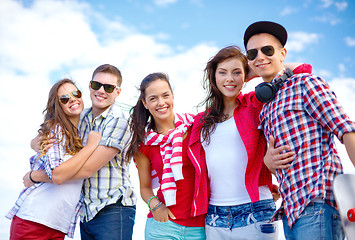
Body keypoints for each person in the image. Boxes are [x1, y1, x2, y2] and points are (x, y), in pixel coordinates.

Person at [243, 21, 355, 240]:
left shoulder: (305, 83)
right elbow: (287, 164)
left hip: (318, 204)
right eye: (252, 53)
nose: (260, 56)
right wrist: (269, 164)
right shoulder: (266, 107)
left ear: (283, 53)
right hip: (290, 212)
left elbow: (347, 130)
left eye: (267, 50)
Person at [193, 46, 311, 239]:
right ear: (213, 77)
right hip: (215, 217)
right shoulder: (200, 121)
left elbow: (302, 69)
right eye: (222, 73)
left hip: (257, 211)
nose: (229, 79)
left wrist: (254, 70)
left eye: (236, 72)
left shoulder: (254, 103)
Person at [26, 64, 136, 240]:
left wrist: (37, 176)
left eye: (108, 87)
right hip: (86, 212)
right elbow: (48, 133)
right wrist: (37, 143)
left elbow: (86, 170)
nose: (101, 91)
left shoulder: (119, 122)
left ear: (117, 92)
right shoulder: (79, 117)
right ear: (90, 86)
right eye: (96, 85)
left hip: (113, 209)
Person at [6, 78, 102, 239]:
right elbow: (57, 175)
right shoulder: (56, 131)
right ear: (58, 106)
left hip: (58, 225)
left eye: (75, 93)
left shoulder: (84, 128)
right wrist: (90, 147)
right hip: (33, 220)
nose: (72, 99)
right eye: (64, 98)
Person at [126, 72, 209, 240]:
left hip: (201, 227)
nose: (161, 103)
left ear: (173, 96)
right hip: (163, 226)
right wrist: (156, 206)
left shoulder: (196, 127)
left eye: (165, 95)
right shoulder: (144, 143)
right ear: (145, 103)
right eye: (153, 98)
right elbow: (145, 188)